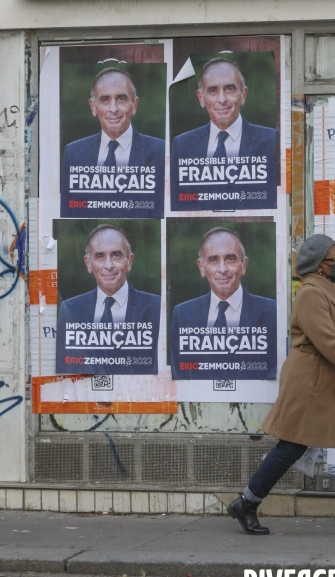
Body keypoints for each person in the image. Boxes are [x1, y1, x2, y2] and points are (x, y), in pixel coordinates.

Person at [226, 234, 335, 537]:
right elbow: (330, 344)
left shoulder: (330, 288)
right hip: (313, 381)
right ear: (320, 265)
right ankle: (246, 502)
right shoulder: (311, 293)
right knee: (292, 445)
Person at [170, 227, 276, 379]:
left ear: (243, 265)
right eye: (213, 260)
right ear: (201, 267)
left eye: (230, 259)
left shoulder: (271, 312)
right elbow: (180, 377)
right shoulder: (182, 314)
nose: (222, 269)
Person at [56, 224, 161, 373]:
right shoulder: (71, 310)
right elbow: (65, 370)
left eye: (116, 255)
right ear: (88, 263)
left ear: (129, 261)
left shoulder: (156, 307)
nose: (108, 265)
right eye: (99, 256)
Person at [60, 68, 165, 209]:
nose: (113, 109)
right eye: (104, 99)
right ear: (93, 106)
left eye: (121, 99)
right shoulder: (74, 153)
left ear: (134, 105)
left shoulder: (160, 152)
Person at [170, 57, 276, 177]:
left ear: (243, 95)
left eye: (230, 89)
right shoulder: (182, 145)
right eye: (212, 90)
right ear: (201, 98)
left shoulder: (272, 141)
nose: (222, 99)